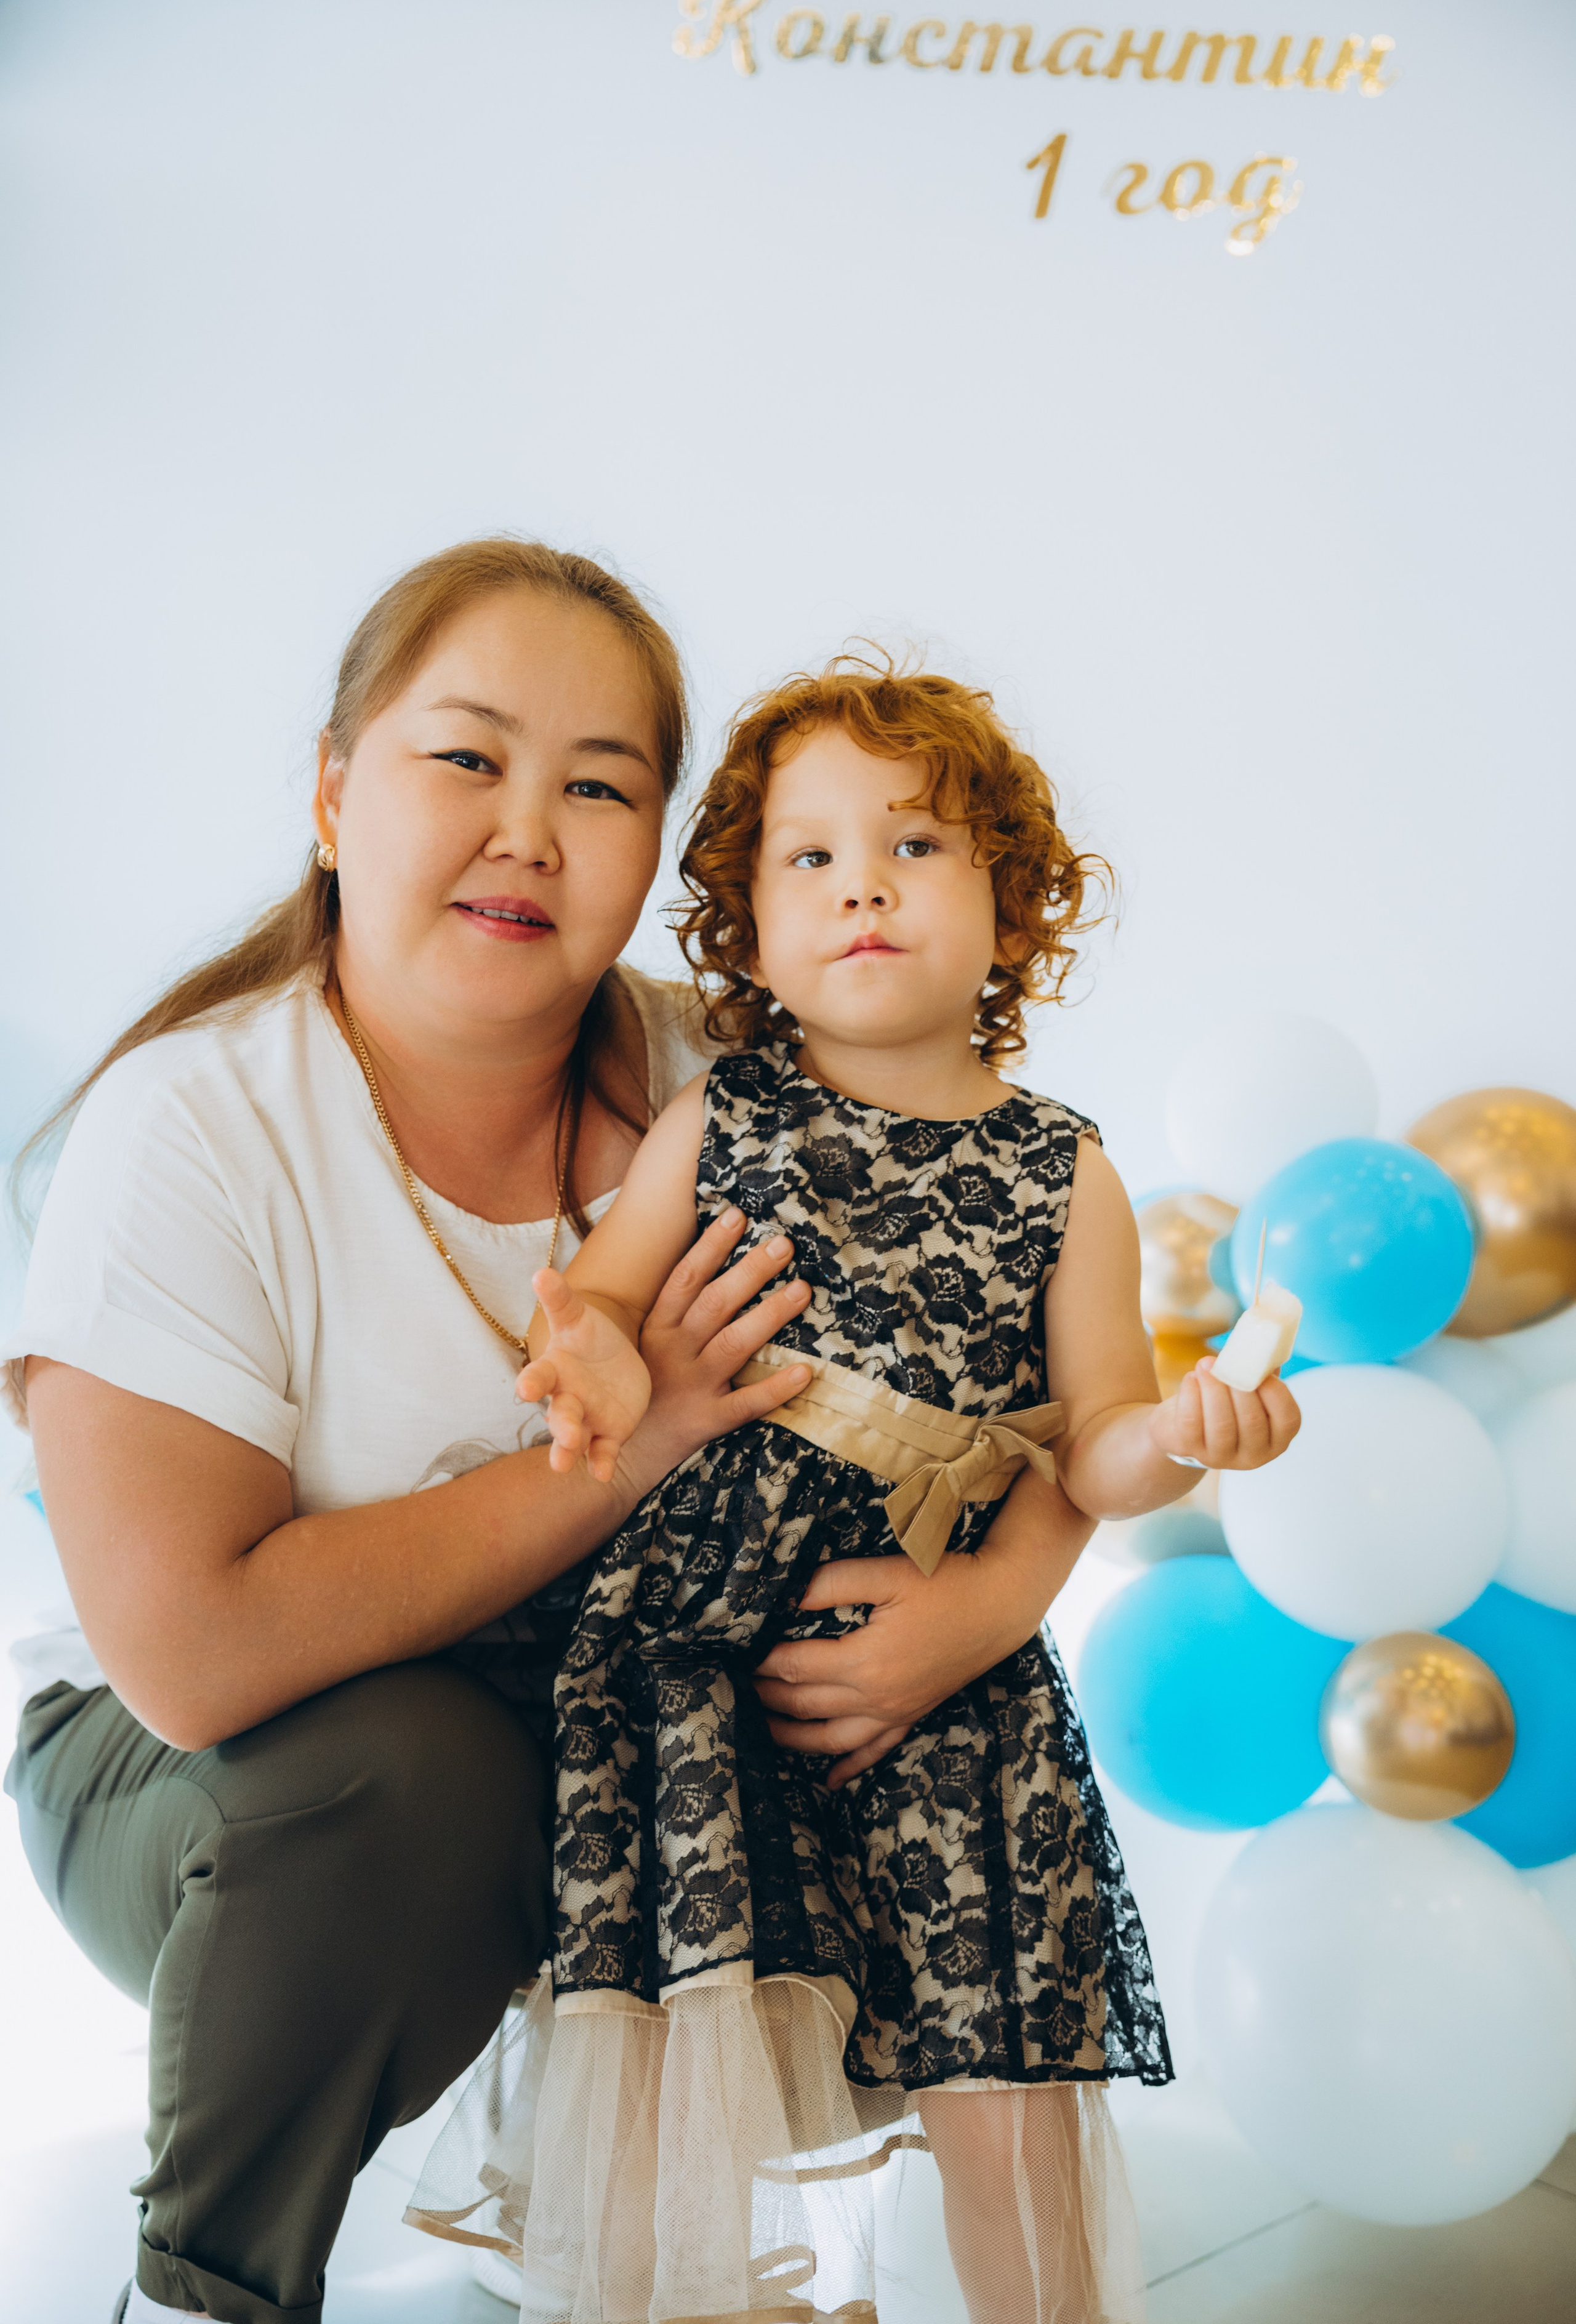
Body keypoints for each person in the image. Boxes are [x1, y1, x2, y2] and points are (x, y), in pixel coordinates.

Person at [3, 546, 1097, 2324]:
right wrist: (632, 1447)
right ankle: (205, 2288)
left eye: (599, 787)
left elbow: (1015, 1382)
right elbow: (195, 1658)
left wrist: (991, 1607)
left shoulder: (743, 1086)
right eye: (466, 759)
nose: (528, 832)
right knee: (420, 1782)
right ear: (333, 795)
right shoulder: (193, 1123)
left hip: (635, 1715)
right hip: (216, 1772)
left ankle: (701, 2258)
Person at [408, 657, 1301, 2324]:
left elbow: (1092, 1443)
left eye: (915, 847)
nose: (863, 886)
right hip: (702, 1671)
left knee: (1002, 2087)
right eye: (810, 858)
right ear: (748, 931)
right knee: (686, 2073)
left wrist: (1187, 1433)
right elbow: (605, 1301)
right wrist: (588, 1351)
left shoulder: (1065, 1172)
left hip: (955, 1695)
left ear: (1011, 908)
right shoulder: (724, 1115)